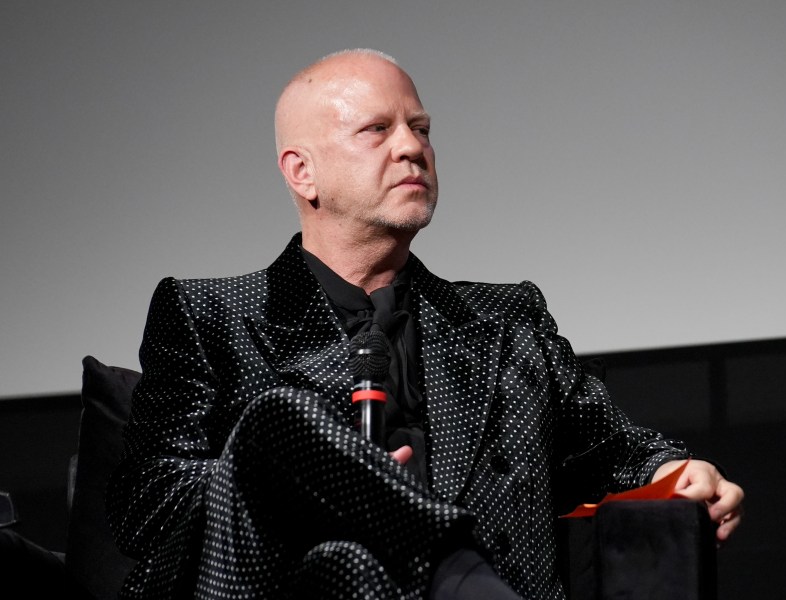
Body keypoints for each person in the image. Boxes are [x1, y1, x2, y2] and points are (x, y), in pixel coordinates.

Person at [107, 48, 743, 600]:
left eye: (420, 128)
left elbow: (617, 451)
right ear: (303, 172)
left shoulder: (505, 318)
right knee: (283, 443)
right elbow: (151, 512)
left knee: (348, 566)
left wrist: (676, 476)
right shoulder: (208, 315)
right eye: (376, 130)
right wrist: (342, 477)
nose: (412, 146)